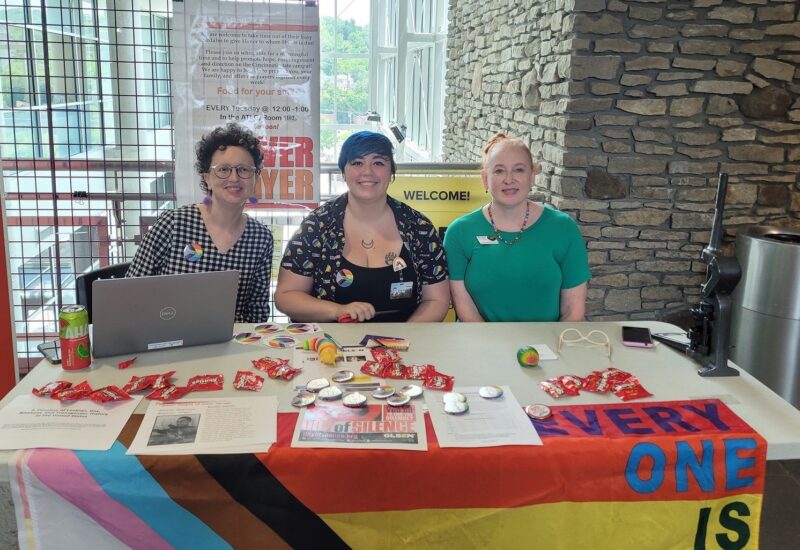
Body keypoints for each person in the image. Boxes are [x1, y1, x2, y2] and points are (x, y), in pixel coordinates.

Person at [275, 131, 449, 322]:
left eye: (378, 163)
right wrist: (337, 310)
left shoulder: (419, 228)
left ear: (391, 172)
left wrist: (403, 339)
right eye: (357, 163)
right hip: (328, 345)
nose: (367, 172)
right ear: (343, 171)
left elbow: (436, 300)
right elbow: (286, 296)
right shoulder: (317, 225)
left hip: (404, 346)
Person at [127, 123, 273, 322]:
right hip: (168, 336)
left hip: (230, 342)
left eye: (244, 170)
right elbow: (131, 291)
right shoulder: (173, 224)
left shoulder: (261, 238)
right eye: (223, 169)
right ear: (208, 179)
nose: (234, 177)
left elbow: (257, 312)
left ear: (255, 177)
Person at [443, 133, 590, 322]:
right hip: (479, 344)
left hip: (546, 347)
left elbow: (573, 310)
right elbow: (462, 303)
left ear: (532, 177)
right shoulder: (459, 232)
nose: (509, 179)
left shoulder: (564, 229)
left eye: (519, 170)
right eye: (499, 171)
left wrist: (546, 351)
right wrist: (489, 349)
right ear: (484, 179)